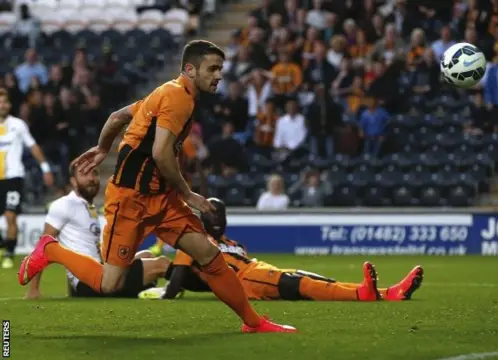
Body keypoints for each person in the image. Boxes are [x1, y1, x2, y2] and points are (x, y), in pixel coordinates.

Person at [18, 40, 296, 333]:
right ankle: (51, 250)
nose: (219, 75)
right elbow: (161, 152)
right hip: (130, 199)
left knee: (208, 254)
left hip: (159, 197)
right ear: (190, 69)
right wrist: (188, 194)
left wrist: (102, 148)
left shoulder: (166, 93)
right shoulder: (178, 98)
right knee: (109, 284)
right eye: (212, 68)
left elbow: (118, 117)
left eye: (220, 69)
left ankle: (253, 323)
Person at [139, 198, 424, 302]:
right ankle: (364, 294)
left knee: (306, 278)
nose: (216, 218)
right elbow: (180, 276)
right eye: (211, 214)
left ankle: (387, 293)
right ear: (203, 218)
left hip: (257, 269)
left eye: (220, 214)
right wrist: (165, 294)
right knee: (301, 283)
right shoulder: (194, 240)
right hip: (246, 280)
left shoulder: (235, 245)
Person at [25, 164, 169, 300]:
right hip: (90, 282)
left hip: (98, 275)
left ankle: (144, 291)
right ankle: (174, 285)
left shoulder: (88, 207)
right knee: (161, 264)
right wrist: (33, 289)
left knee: (147, 255)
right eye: (84, 174)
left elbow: (80, 248)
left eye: (94, 173)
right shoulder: (64, 204)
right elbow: (43, 246)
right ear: (73, 181)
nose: (91, 178)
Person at [0, 88, 54, 268]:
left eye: (5, 101)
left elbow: (33, 147)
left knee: (10, 215)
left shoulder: (18, 125)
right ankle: (4, 243)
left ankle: (9, 253)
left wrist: (45, 168)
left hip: (13, 178)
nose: (3, 105)